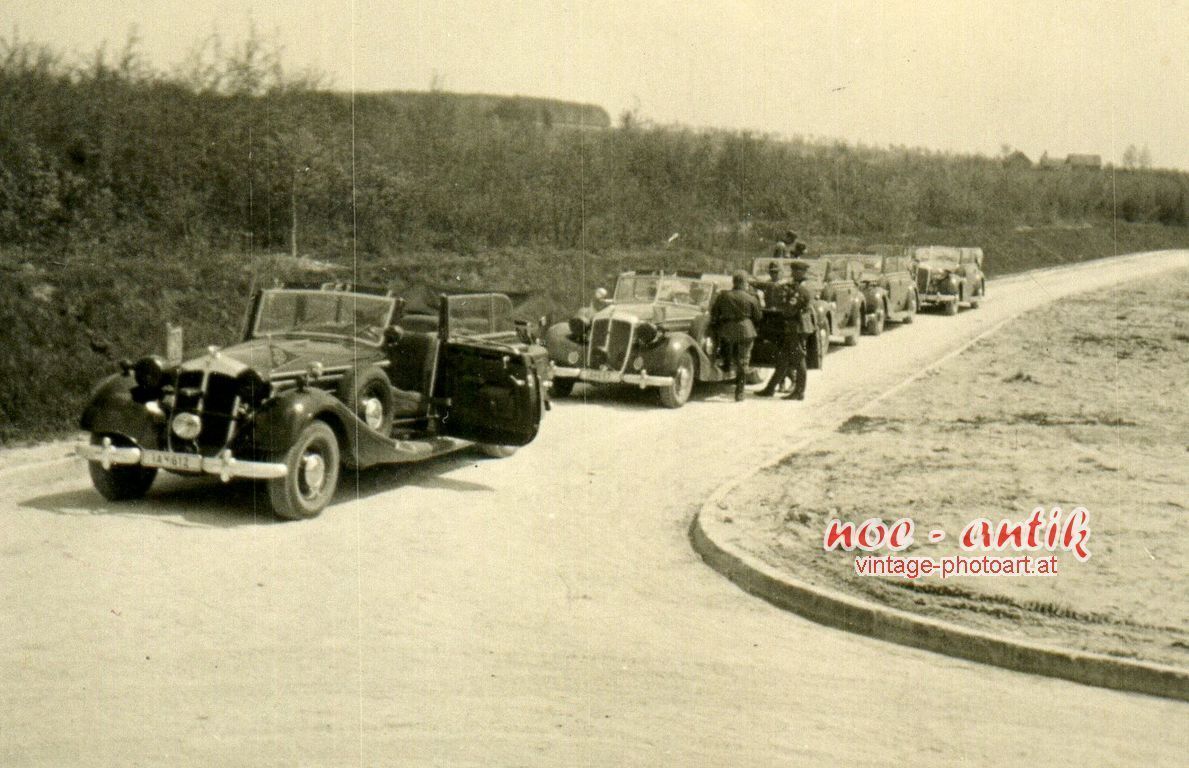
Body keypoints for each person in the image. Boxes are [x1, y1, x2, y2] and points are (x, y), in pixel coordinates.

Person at [756, 259, 814, 400]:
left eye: (795, 271)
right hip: (795, 327)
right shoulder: (801, 287)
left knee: (799, 359)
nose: (792, 274)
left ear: (801, 272)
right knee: (783, 359)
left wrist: (783, 304)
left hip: (797, 328)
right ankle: (770, 388)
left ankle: (799, 391)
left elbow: (789, 310)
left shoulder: (801, 290)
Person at [711, 270, 763, 401]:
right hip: (746, 331)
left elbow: (714, 313)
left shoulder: (723, 296)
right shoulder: (751, 298)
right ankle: (739, 393)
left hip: (727, 331)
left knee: (727, 354)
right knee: (743, 362)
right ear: (744, 283)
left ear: (734, 282)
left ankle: (727, 369)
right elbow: (758, 317)